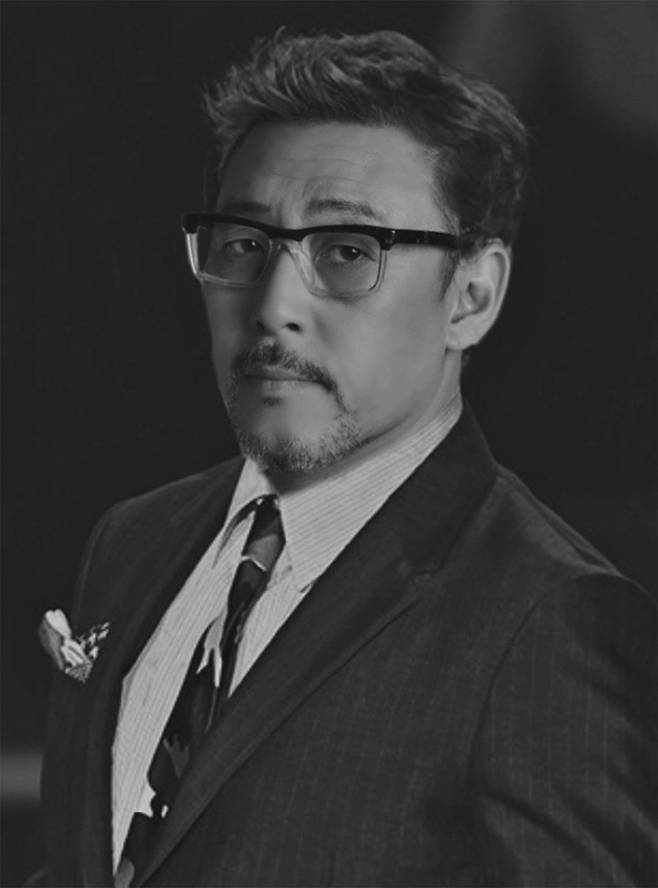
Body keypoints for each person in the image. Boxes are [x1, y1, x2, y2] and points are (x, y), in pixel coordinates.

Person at [39, 29, 656, 887]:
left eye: (347, 251)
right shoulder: (133, 541)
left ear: (472, 296)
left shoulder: (546, 622)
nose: (273, 305)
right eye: (244, 243)